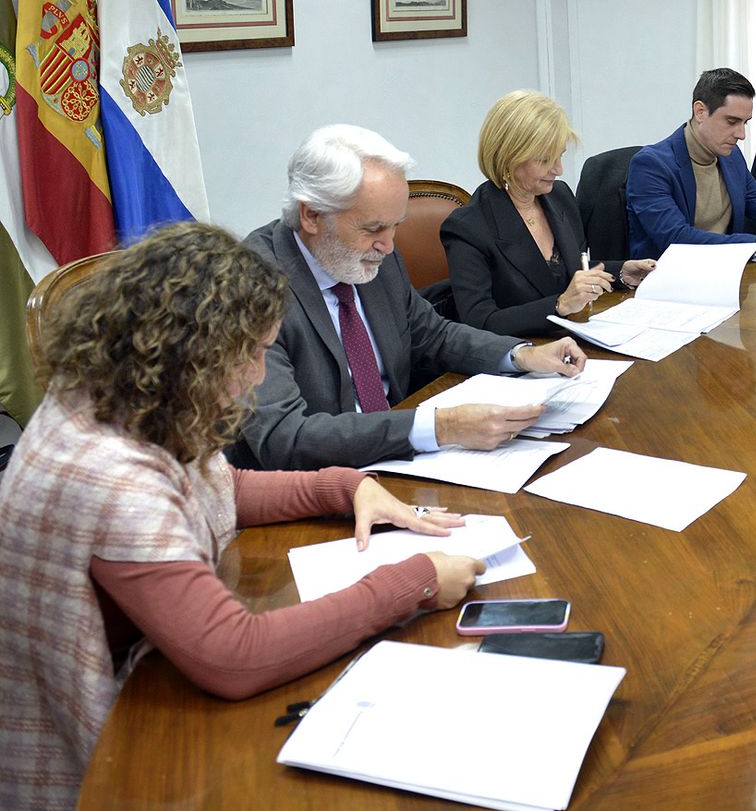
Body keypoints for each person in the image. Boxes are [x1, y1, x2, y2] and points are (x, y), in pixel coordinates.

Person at [0, 223, 487, 811]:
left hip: (157, 666)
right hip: (116, 747)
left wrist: (345, 486)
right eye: (253, 353)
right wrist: (413, 581)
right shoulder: (109, 474)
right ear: (192, 351)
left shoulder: (122, 397)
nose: (259, 375)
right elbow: (233, 655)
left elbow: (219, 485)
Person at [233, 124, 585, 472]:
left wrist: (521, 355)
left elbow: (432, 334)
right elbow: (284, 436)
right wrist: (441, 427)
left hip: (405, 460)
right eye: (374, 228)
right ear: (311, 215)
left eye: (395, 226)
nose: (388, 246)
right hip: (316, 482)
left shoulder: (373, 254)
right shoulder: (249, 287)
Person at [442, 91, 656, 336]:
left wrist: (621, 272)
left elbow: (566, 270)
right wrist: (559, 305)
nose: (559, 169)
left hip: (571, 337)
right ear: (509, 158)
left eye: (560, 156)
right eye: (545, 160)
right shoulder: (468, 227)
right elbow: (479, 323)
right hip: (521, 349)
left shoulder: (559, 196)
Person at [627, 67, 756, 260]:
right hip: (671, 274)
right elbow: (676, 238)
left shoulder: (731, 155)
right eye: (731, 122)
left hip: (727, 269)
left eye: (745, 123)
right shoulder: (650, 165)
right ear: (700, 111)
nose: (741, 134)